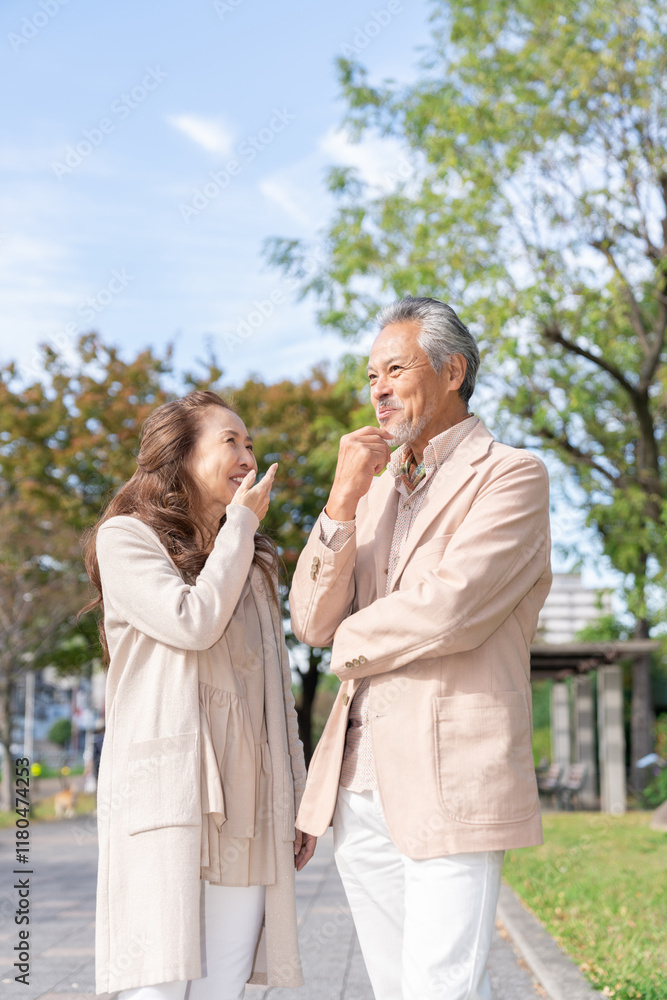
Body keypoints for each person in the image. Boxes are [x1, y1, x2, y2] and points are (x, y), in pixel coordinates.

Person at [289, 297, 552, 1000]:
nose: (376, 389)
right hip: (357, 782)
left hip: (452, 774)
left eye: (394, 369)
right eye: (368, 375)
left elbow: (453, 607)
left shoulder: (510, 475)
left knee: (441, 987)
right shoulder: (369, 496)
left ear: (451, 370)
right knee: (399, 987)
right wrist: (340, 503)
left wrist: (351, 639)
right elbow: (309, 621)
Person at [82, 390, 315, 1000]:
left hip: (251, 804)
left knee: (222, 990)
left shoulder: (254, 559)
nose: (247, 454)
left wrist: (299, 794)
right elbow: (191, 621)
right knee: (155, 986)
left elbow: (275, 688)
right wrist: (242, 524)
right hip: (171, 797)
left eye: (250, 442)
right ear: (179, 456)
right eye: (229, 440)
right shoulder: (126, 539)